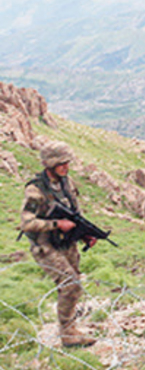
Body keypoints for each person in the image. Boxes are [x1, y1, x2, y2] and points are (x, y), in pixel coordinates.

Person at [19, 141, 97, 348]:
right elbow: (26, 223)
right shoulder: (36, 190)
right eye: (61, 163)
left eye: (67, 162)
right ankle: (67, 333)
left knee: (73, 286)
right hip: (45, 245)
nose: (65, 166)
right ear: (49, 164)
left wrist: (84, 234)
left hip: (66, 242)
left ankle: (71, 327)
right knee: (70, 284)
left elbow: (75, 215)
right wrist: (56, 224)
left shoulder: (66, 183)